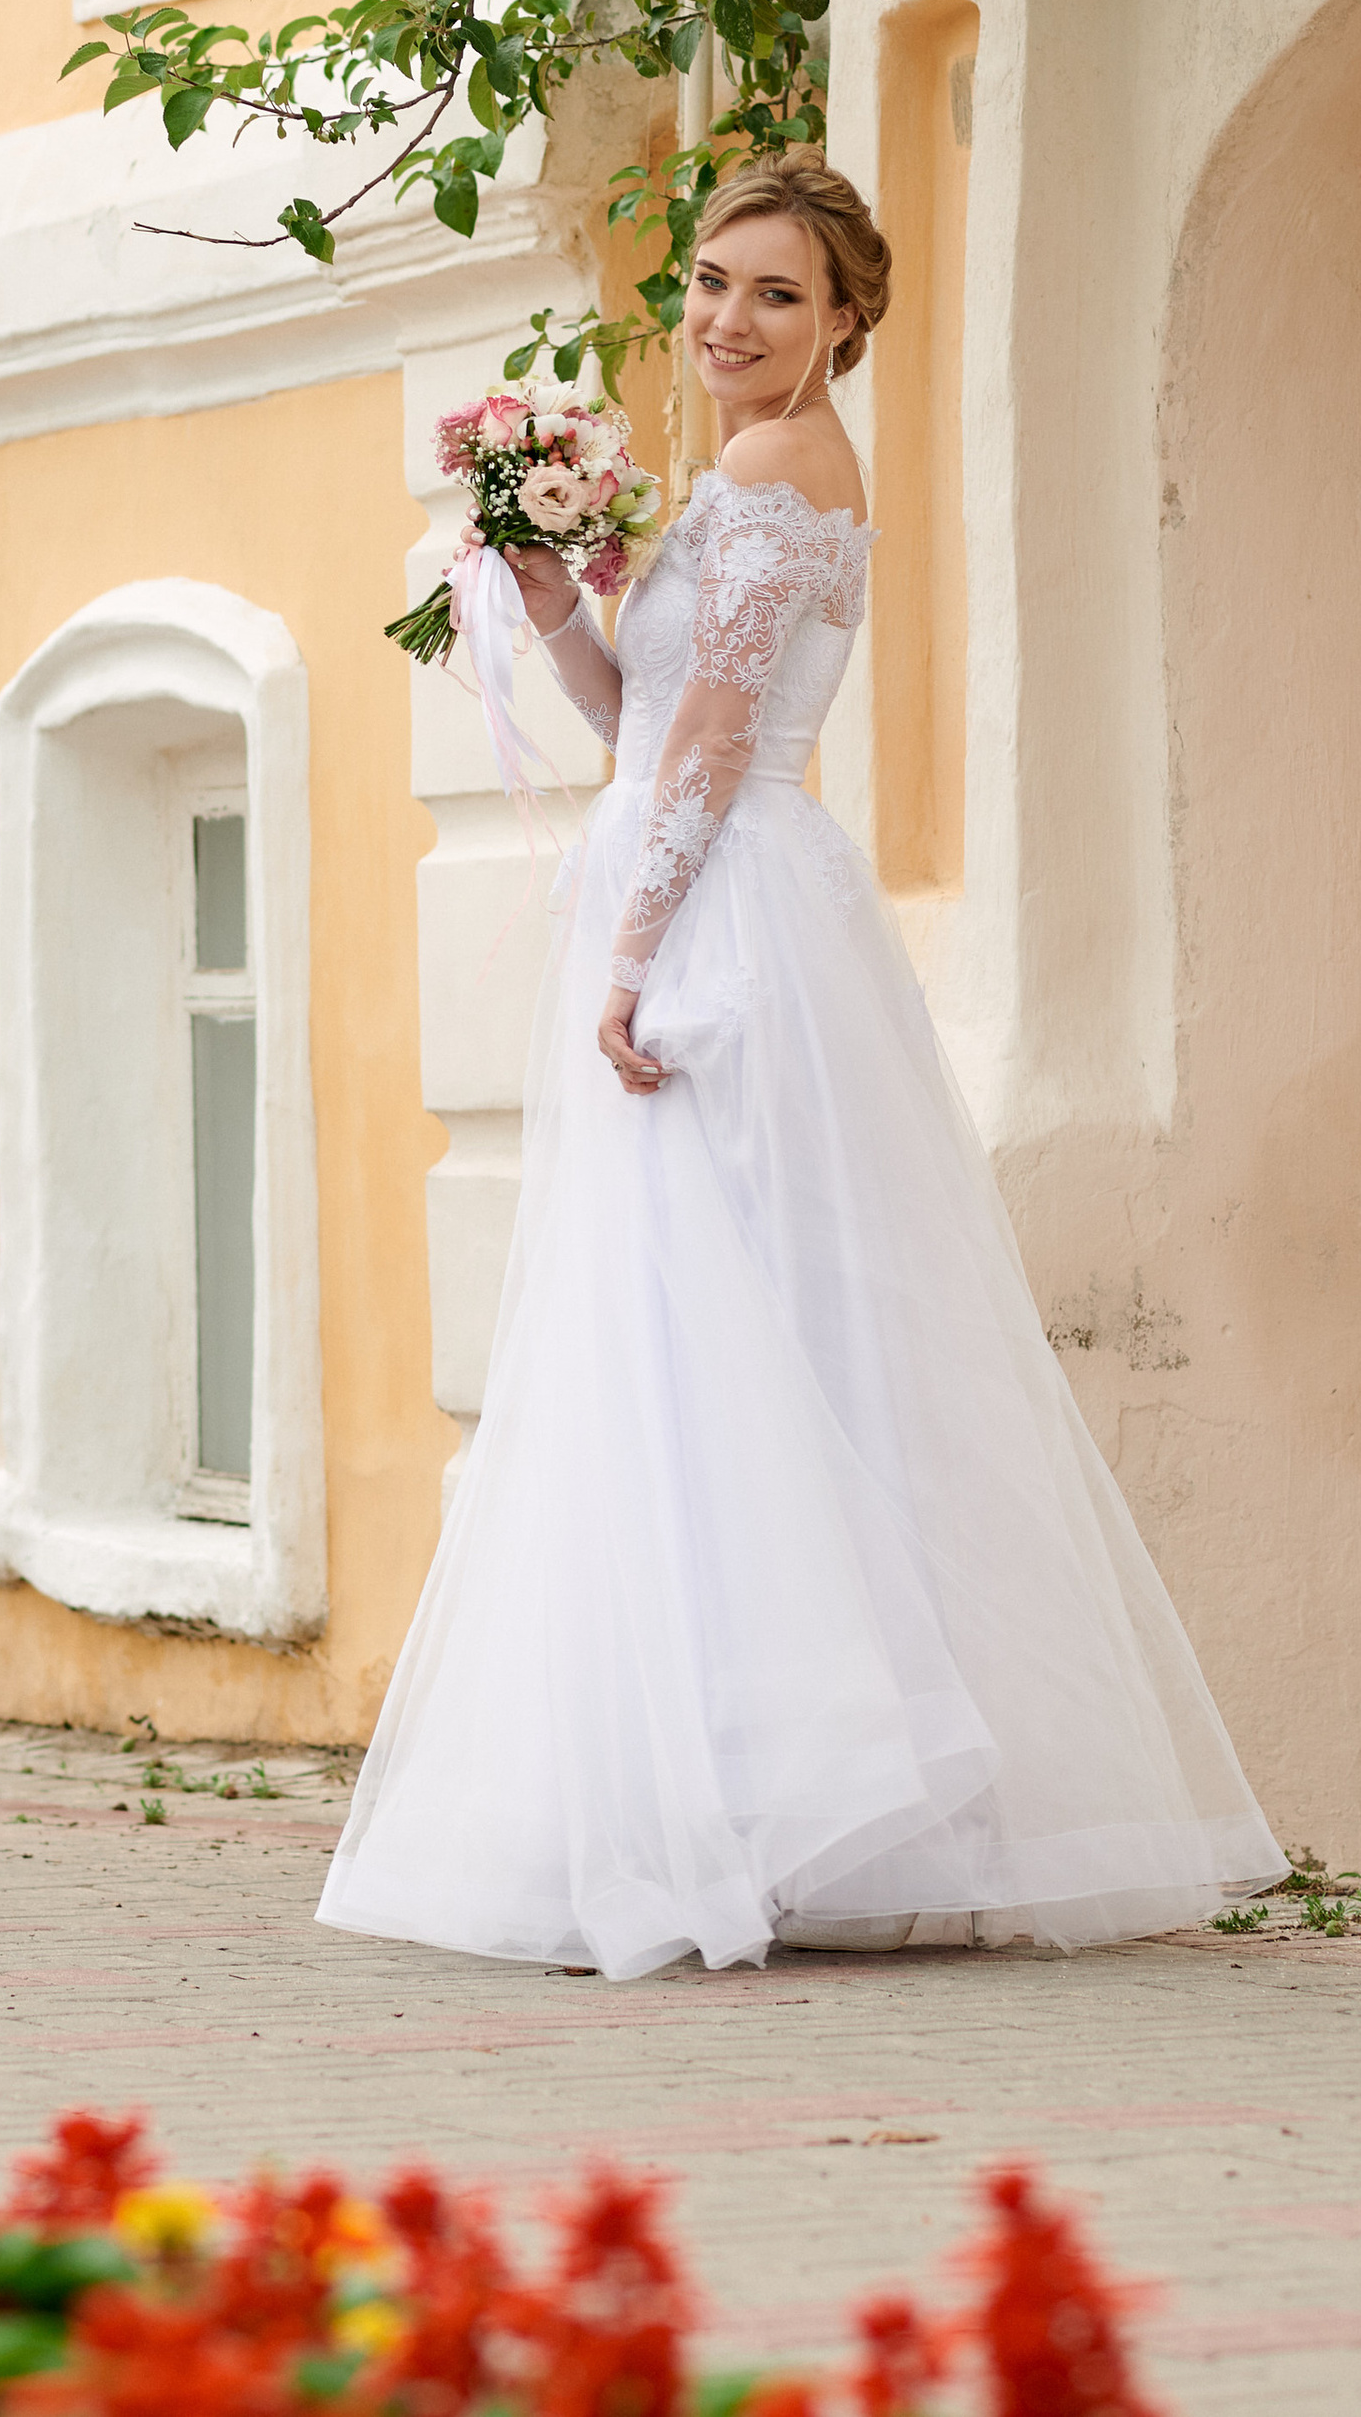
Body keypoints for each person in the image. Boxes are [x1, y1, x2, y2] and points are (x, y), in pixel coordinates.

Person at [318, 154, 1285, 1976]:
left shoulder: (780, 470)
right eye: (710, 284)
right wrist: (543, 591)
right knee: (695, 1336)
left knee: (722, 1330)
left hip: (726, 916)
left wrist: (629, 954)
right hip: (701, 878)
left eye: (776, 294)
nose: (728, 322)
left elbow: (706, 734)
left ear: (846, 319)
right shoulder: (732, 483)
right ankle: (755, 1783)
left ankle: (793, 1786)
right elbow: (625, 717)